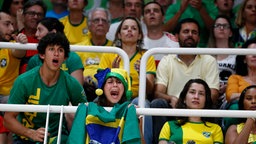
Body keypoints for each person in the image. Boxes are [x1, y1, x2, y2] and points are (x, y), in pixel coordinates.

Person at [4, 32, 87, 144]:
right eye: (51, 49)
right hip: (25, 138)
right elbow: (8, 119)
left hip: (57, 138)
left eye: (61, 50)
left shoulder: (71, 83)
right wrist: (31, 133)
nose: (56, 54)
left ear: (65, 58)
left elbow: (86, 113)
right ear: (42, 55)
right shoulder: (23, 81)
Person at [151, 18, 219, 144]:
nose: (190, 35)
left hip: (200, 109)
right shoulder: (167, 60)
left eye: (194, 32)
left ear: (199, 37)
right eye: (186, 31)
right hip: (174, 108)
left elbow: (213, 94)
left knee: (214, 105)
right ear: (176, 37)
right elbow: (158, 92)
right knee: (157, 103)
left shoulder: (209, 60)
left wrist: (194, 103)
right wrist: (172, 99)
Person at [99, 16, 156, 144]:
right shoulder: (109, 53)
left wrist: (142, 74)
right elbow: (100, 86)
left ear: (140, 35)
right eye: (125, 28)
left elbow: (151, 90)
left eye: (134, 28)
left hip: (136, 98)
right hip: (113, 97)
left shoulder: (146, 56)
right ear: (119, 34)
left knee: (143, 104)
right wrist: (112, 73)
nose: (129, 31)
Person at [67, 68, 142, 144]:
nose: (115, 85)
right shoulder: (88, 110)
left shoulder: (129, 111)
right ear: (103, 88)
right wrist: (82, 111)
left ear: (124, 89)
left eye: (119, 82)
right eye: (110, 82)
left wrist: (136, 120)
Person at [158, 79, 224, 144]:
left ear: (206, 100)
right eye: (192, 92)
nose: (196, 97)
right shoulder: (169, 125)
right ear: (184, 98)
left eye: (201, 94)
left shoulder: (216, 129)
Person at [26, 17, 84, 85]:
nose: (36, 34)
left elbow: (76, 90)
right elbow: (29, 86)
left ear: (53, 32)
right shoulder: (34, 60)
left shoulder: (73, 58)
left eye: (40, 30)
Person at [0, 10, 27, 144]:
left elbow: (19, 52)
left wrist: (21, 43)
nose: (11, 29)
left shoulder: (11, 45)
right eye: (7, 24)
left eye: (13, 24)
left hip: (7, 98)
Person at [77, 8, 112, 101]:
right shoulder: (78, 48)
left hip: (107, 90)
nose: (100, 23)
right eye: (96, 20)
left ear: (108, 27)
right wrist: (82, 79)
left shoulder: (116, 49)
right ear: (89, 26)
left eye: (104, 20)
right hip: (83, 89)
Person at [224, 38, 256, 133]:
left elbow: (236, 95)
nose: (255, 55)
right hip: (241, 114)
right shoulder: (235, 78)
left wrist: (243, 95)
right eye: (251, 52)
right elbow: (231, 96)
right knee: (234, 108)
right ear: (244, 59)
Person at [208, 15, 236, 108]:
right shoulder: (205, 54)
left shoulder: (237, 55)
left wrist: (228, 86)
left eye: (225, 26)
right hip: (209, 95)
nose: (221, 28)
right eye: (218, 25)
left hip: (229, 96)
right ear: (213, 30)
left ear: (230, 32)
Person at [143, 1, 179, 65]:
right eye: (147, 11)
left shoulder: (174, 42)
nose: (152, 13)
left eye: (156, 10)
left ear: (163, 18)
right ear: (143, 20)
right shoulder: (138, 42)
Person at [19, 0, 47, 74]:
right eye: (31, 13)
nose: (35, 17)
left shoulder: (48, 42)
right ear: (23, 16)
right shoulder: (14, 39)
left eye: (39, 14)